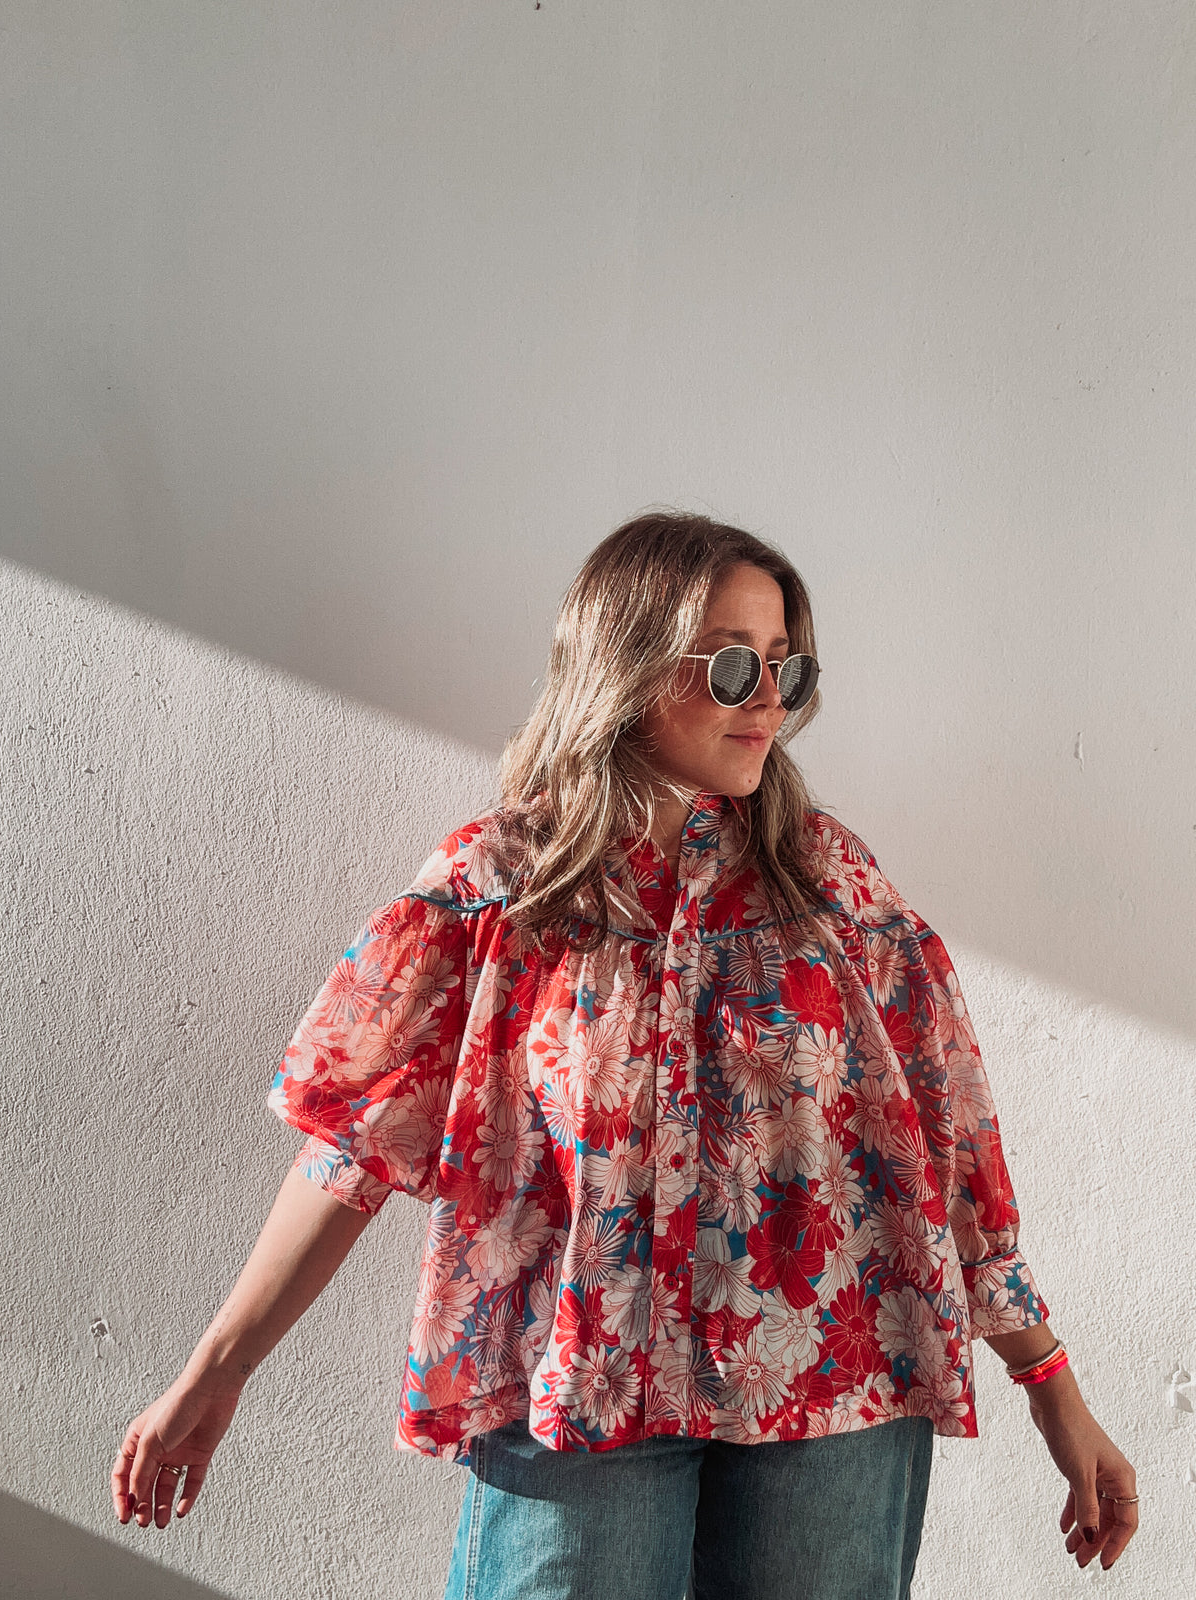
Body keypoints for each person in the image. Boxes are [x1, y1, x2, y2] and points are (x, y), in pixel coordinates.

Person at [111, 512, 1138, 1598]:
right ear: (629, 666)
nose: (771, 702)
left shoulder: (831, 886)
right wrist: (216, 1373)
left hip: (836, 1398)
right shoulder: (502, 887)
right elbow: (353, 1149)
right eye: (737, 665)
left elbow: (952, 1152)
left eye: (788, 668)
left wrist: (1053, 1391)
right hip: (584, 1401)